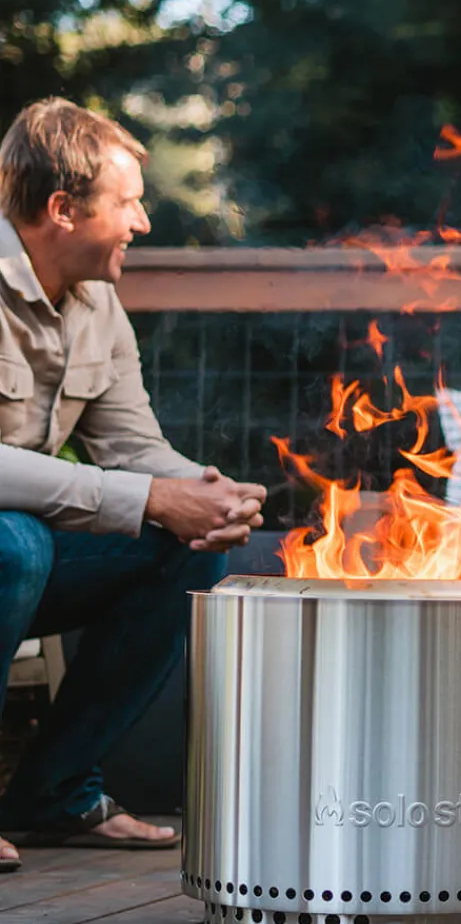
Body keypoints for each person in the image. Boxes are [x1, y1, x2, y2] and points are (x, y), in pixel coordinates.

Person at [0, 98, 267, 874]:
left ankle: (54, 793)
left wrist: (207, 492)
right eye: (127, 203)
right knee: (16, 544)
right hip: (12, 551)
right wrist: (150, 498)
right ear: (63, 208)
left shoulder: (98, 302)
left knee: (184, 550)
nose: (142, 223)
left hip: (24, 557)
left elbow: (131, 445)